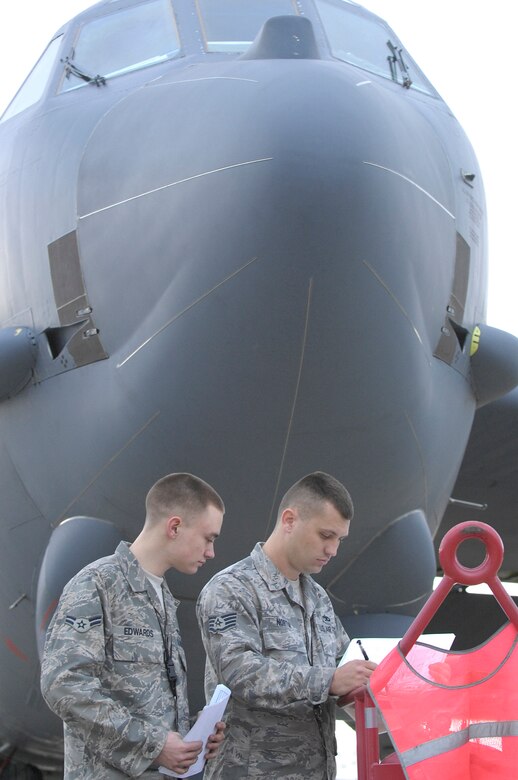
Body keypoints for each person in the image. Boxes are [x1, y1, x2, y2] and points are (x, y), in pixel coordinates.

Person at [41, 472, 226, 779]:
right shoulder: (97, 585)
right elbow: (63, 683)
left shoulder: (162, 598)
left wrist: (193, 736)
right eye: (208, 538)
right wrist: (152, 745)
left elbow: (148, 703)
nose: (211, 552)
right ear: (175, 526)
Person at [196, 471, 376, 779]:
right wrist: (328, 681)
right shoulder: (231, 589)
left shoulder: (318, 599)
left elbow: (344, 665)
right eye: (325, 535)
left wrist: (373, 683)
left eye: (339, 540)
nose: (333, 550)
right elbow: (241, 673)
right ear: (289, 520)